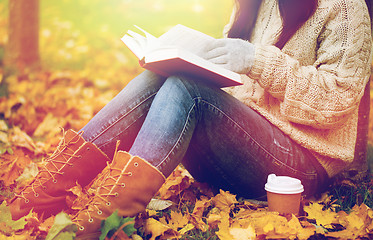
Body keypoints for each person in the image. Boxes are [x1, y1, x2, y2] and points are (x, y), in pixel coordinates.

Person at [7, 0, 372, 238]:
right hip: (238, 153)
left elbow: (336, 100)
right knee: (162, 77)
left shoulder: (344, 9)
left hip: (298, 167)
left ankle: (101, 220)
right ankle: (39, 198)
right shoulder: (253, 4)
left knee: (186, 89)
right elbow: (235, 80)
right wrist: (175, 59)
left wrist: (256, 60)